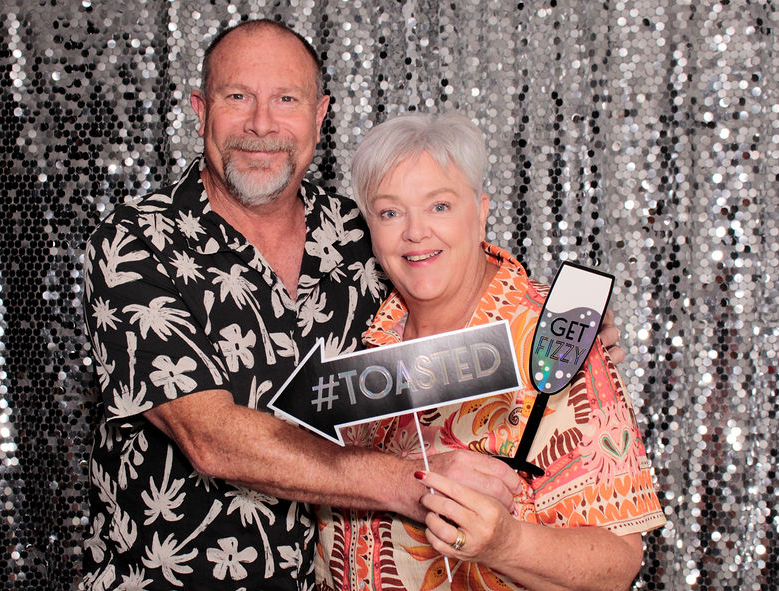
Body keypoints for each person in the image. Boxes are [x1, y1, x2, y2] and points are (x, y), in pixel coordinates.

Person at [80, 20, 537, 591]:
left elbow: (461, 280)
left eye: (286, 100)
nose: (261, 124)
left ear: (320, 116)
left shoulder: (360, 231)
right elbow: (211, 439)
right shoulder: (135, 242)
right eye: (237, 97)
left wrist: (557, 323)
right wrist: (413, 485)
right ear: (200, 111)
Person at [315, 113, 666, 591]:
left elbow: (618, 562)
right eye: (390, 213)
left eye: (439, 206)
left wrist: (506, 543)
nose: (415, 232)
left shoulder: (551, 338)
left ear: (480, 212)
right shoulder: (360, 330)